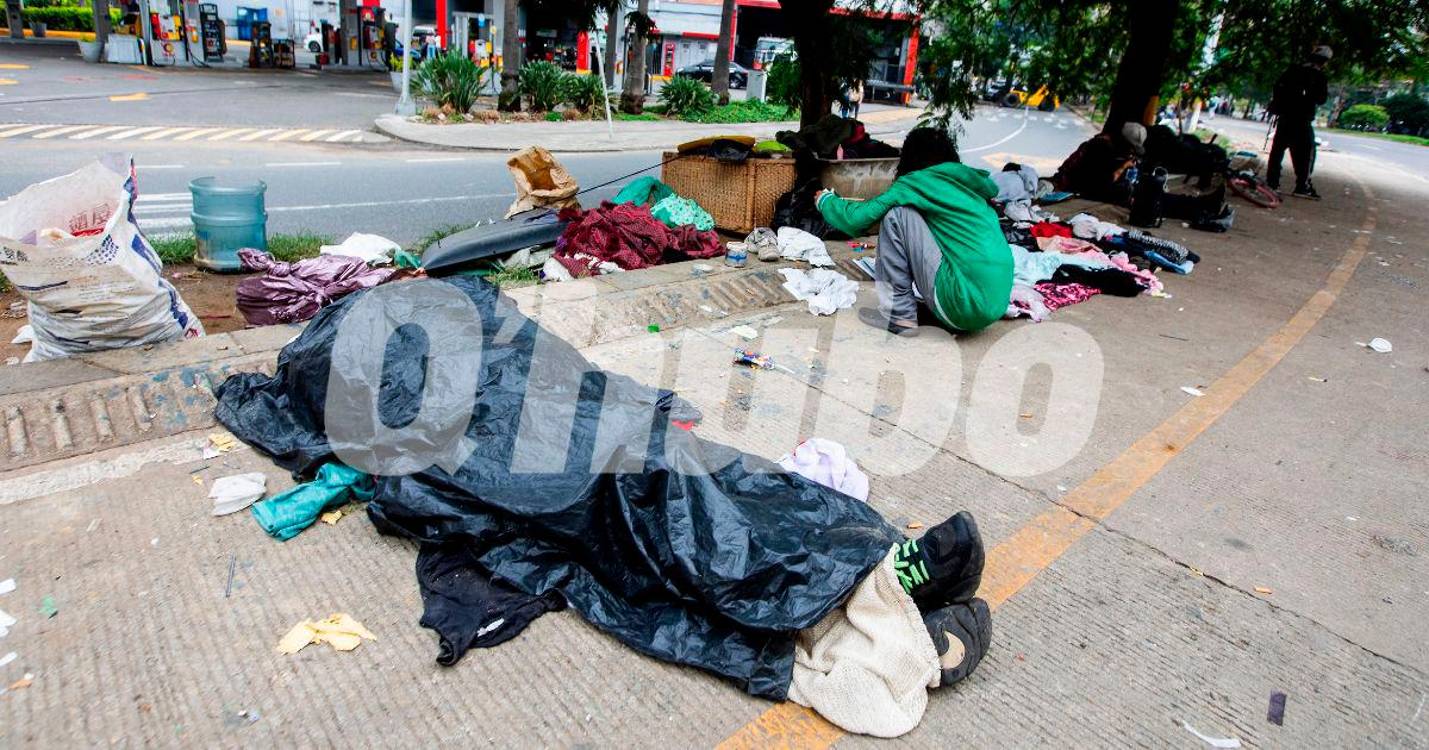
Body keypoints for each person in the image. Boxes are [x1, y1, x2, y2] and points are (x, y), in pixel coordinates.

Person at [814, 127, 1012, 336]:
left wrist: (826, 201)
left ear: (911, 158)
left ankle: (899, 315)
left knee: (897, 215)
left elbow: (856, 220)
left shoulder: (918, 181)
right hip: (993, 306)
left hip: (962, 302)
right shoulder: (969, 186)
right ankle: (933, 309)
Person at [1267, 45, 1331, 199]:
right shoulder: (1319, 76)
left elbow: (1277, 88)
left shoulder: (1292, 71)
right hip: (1302, 120)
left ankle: (1272, 184)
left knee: (1277, 151)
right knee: (1307, 153)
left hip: (1285, 117)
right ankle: (1302, 186)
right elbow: (1321, 99)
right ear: (1325, 62)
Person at [1051, 121, 1146, 204]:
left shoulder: (1116, 149)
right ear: (1123, 141)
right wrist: (1122, 167)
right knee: (1121, 192)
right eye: (1130, 148)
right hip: (1075, 184)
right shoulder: (1100, 147)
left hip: (1091, 184)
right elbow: (1102, 182)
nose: (1131, 152)